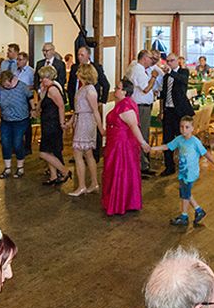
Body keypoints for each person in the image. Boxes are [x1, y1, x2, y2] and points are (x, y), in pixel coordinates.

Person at [149, 115, 214, 227]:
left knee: (185, 195)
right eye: (181, 127)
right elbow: (168, 146)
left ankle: (184, 216)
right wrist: (153, 148)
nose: (184, 129)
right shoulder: (179, 139)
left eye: (187, 127)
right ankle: (198, 210)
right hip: (183, 172)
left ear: (192, 128)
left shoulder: (195, 142)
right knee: (185, 192)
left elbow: (205, 153)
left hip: (190, 174)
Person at [102, 79, 150, 216]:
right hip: (114, 143)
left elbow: (134, 126)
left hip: (121, 145)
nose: (115, 90)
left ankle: (122, 202)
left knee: (120, 171)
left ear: (124, 91)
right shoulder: (122, 104)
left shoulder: (126, 106)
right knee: (114, 171)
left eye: (118, 88)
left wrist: (143, 143)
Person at [0, 68, 34, 180]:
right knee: (5, 143)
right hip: (6, 120)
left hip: (21, 120)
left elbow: (30, 97)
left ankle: (20, 167)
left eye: (7, 85)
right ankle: (7, 168)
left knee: (17, 142)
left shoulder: (22, 86)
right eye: (4, 85)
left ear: (12, 80)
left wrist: (33, 109)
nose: (6, 87)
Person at [34, 66, 72, 186]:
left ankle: (65, 171)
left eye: (43, 78)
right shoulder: (47, 89)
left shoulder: (53, 89)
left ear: (49, 77)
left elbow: (61, 107)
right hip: (47, 123)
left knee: (43, 153)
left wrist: (62, 123)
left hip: (53, 124)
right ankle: (53, 176)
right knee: (49, 152)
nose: (41, 80)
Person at [68, 63, 101, 196]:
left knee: (78, 153)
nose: (77, 73)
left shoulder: (90, 90)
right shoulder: (84, 88)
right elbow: (78, 109)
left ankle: (82, 185)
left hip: (86, 122)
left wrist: (101, 128)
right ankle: (93, 183)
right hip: (81, 120)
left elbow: (95, 110)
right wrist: (71, 121)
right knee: (88, 153)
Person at [158, 54, 194, 176]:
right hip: (168, 111)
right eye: (167, 61)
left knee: (183, 140)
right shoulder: (166, 76)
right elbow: (163, 94)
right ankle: (169, 166)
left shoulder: (183, 72)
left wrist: (171, 72)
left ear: (177, 61)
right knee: (167, 140)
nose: (169, 63)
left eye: (172, 60)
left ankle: (186, 166)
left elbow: (183, 81)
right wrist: (161, 111)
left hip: (180, 112)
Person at [127, 50, 160, 174]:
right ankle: (142, 165)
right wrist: (154, 77)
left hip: (144, 106)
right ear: (144, 58)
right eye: (151, 58)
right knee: (142, 135)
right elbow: (146, 89)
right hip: (141, 107)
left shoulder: (142, 70)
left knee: (143, 134)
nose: (152, 61)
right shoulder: (138, 70)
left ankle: (143, 164)